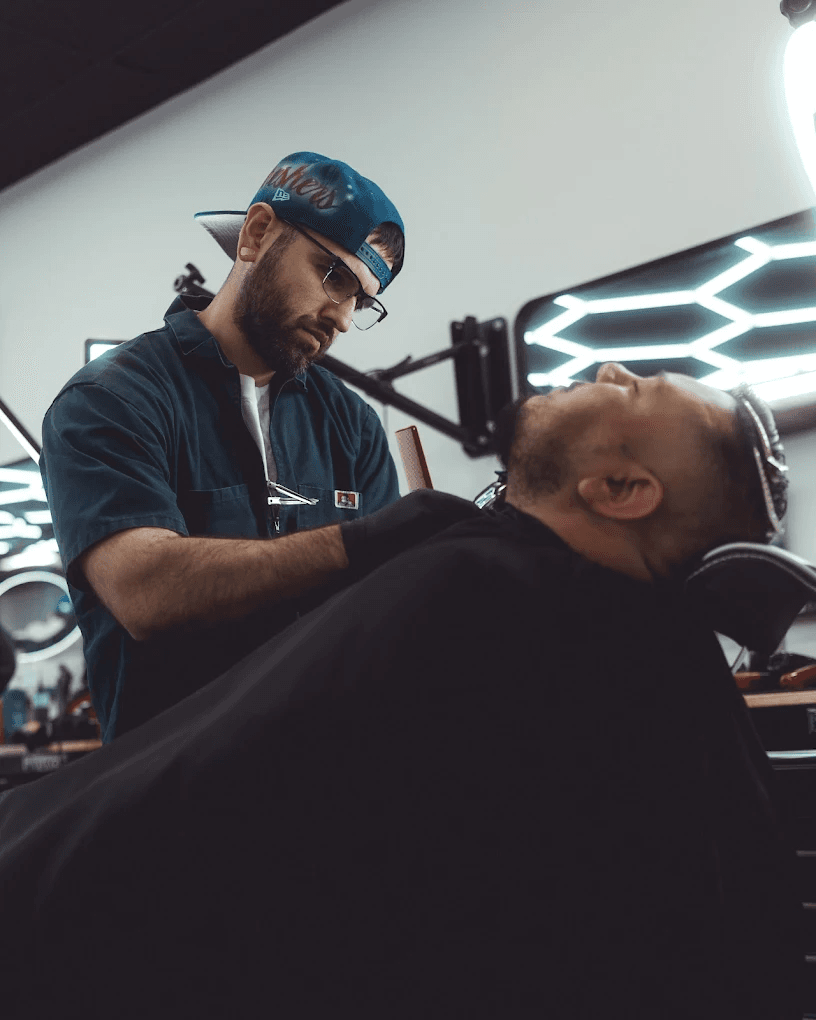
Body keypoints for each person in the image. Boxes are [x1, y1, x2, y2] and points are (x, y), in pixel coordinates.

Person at [0, 363, 802, 1018]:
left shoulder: (509, 613)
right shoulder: (532, 603)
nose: (611, 368)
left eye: (636, 390)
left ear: (621, 489)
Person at [39, 150, 477, 743]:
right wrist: (362, 541)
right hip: (175, 782)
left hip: (328, 774)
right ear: (257, 234)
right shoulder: (112, 399)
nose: (342, 318)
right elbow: (144, 590)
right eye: (333, 276)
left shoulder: (351, 425)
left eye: (361, 300)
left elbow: (377, 611)